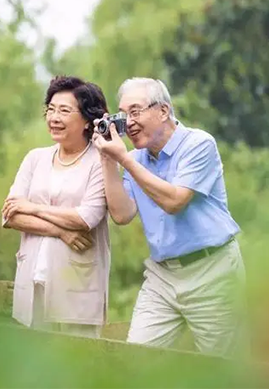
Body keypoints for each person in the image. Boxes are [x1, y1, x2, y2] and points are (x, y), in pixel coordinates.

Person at [91, 77, 247, 356]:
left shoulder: (199, 144)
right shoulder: (137, 158)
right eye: (123, 115)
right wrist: (108, 159)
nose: (128, 123)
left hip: (212, 271)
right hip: (162, 275)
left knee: (220, 369)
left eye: (135, 112)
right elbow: (122, 214)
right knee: (135, 360)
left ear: (163, 111)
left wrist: (124, 158)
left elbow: (175, 201)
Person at [1, 75, 110, 338]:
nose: (54, 117)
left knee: (79, 368)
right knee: (34, 368)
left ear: (87, 120)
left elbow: (85, 218)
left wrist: (33, 207)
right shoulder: (35, 158)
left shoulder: (101, 160)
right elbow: (11, 216)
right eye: (50, 109)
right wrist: (61, 232)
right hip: (32, 280)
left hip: (77, 284)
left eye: (64, 110)